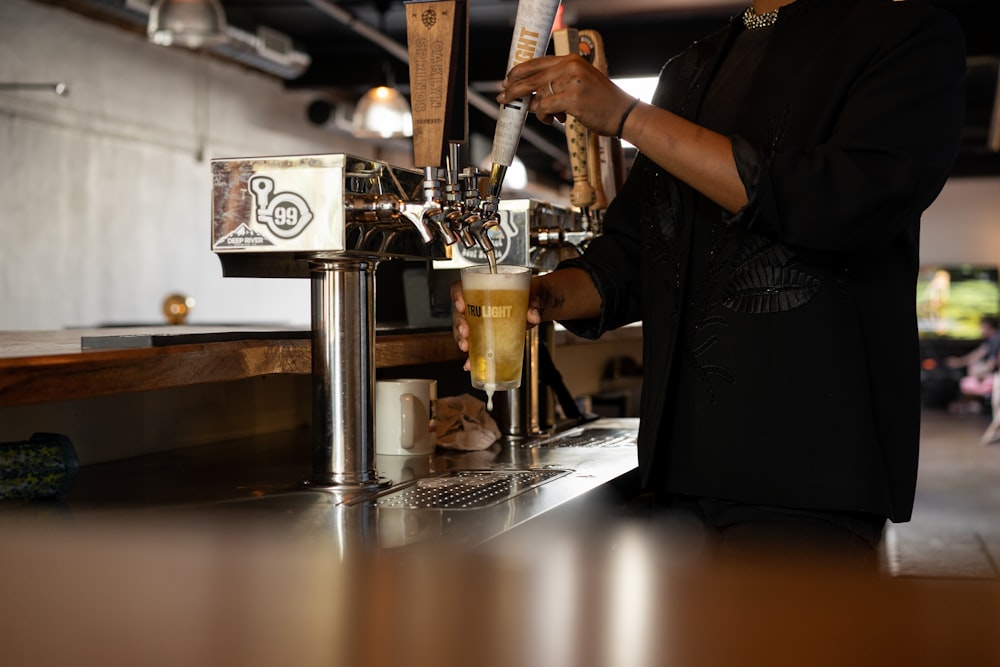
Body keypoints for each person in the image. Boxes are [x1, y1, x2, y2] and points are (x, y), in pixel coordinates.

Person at [452, 0, 966, 565]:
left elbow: (842, 201)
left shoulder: (901, 32)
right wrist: (544, 295)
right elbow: (634, 257)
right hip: (680, 468)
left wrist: (628, 115)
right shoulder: (690, 67)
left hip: (809, 467)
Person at [946, 314, 1000, 401]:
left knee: (967, 383)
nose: (980, 330)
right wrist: (959, 362)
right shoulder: (991, 340)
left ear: (987, 327)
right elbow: (976, 354)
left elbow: (991, 364)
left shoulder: (996, 340)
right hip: (992, 375)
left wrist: (977, 373)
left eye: (981, 327)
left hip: (996, 378)